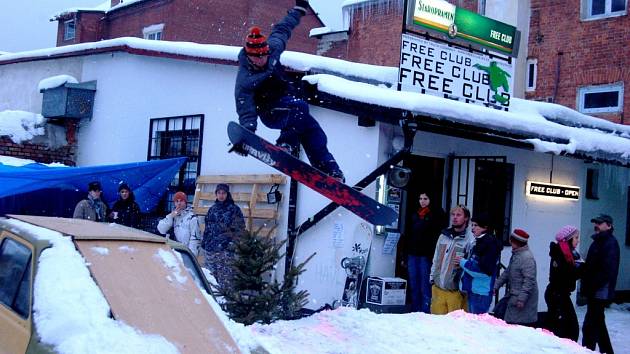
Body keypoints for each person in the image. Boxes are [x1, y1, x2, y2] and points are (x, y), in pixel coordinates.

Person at [231, 0, 344, 181]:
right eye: (258, 58)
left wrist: (298, 10)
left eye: (265, 55)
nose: (263, 60)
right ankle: (285, 144)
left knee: (314, 130)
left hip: (287, 105)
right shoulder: (245, 80)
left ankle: (329, 170)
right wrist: (246, 137)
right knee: (300, 107)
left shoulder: (273, 48)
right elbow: (246, 110)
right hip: (271, 113)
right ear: (250, 56)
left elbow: (283, 29)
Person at [581, 214, 620, 354]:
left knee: (590, 324)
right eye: (595, 222)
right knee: (597, 323)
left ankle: (587, 350)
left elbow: (607, 270)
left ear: (609, 225)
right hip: (595, 289)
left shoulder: (610, 243)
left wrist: (591, 284)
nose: (596, 225)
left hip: (600, 291)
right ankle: (605, 350)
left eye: (600, 223)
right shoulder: (597, 242)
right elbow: (591, 265)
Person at [405, 191, 445, 313]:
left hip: (426, 254)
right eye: (420, 198)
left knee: (424, 284)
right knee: (413, 283)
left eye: (425, 198)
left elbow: (435, 236)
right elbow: (408, 234)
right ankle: (415, 309)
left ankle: (425, 310)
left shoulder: (436, 214)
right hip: (413, 252)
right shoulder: (415, 214)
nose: (422, 201)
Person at [430, 204, 473, 314]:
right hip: (438, 288)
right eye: (453, 214)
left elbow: (470, 265)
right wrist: (432, 277)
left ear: (466, 218)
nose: (455, 217)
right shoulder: (443, 235)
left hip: (455, 291)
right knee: (435, 324)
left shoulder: (470, 240)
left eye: (458, 215)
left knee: (453, 328)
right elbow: (436, 257)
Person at [201, 184, 246, 289]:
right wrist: (205, 244)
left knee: (226, 282)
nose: (221, 195)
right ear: (216, 194)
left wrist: (230, 245)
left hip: (225, 252)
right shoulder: (212, 209)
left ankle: (225, 304)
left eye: (223, 193)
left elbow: (240, 229)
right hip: (210, 251)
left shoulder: (234, 210)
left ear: (227, 194)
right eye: (219, 193)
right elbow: (207, 228)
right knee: (210, 281)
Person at [544, 225, 582, 341]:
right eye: (576, 237)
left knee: (561, 325)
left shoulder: (569, 254)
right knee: (569, 327)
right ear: (568, 239)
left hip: (560, 293)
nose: (578, 240)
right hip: (557, 294)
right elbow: (565, 276)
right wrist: (582, 269)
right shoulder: (561, 254)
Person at [494, 228, 538, 326]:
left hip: (522, 300)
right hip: (515, 296)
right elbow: (507, 272)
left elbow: (529, 281)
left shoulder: (527, 258)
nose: (509, 242)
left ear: (516, 242)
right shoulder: (517, 255)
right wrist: (496, 286)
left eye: (511, 240)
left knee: (518, 325)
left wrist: (521, 299)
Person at [459, 213, 501, 314]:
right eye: (472, 225)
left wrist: (462, 262)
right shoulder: (479, 242)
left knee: (477, 323)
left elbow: (482, 270)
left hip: (481, 292)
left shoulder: (488, 244)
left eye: (476, 225)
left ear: (485, 227)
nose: (473, 228)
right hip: (475, 289)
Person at [157, 192, 201, 256]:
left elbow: (194, 239)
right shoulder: (172, 216)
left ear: (185, 202)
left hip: (185, 252)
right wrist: (170, 216)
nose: (179, 203)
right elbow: (161, 229)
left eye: (181, 201)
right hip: (172, 251)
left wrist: (191, 256)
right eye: (177, 201)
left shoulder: (192, 218)